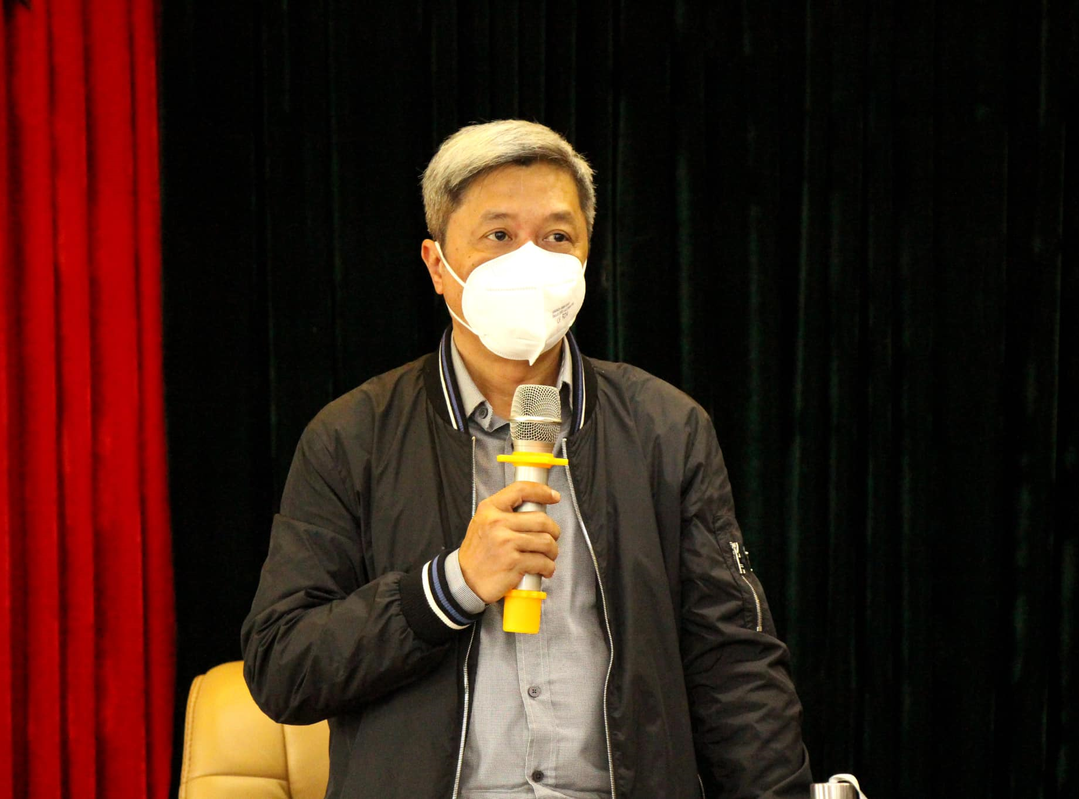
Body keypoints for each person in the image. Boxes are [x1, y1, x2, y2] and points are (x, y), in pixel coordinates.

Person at [241, 119, 812, 798]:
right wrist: (450, 586)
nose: (531, 261)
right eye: (499, 236)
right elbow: (283, 665)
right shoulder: (353, 435)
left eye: (557, 237)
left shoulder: (666, 428)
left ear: (587, 258)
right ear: (437, 266)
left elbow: (734, 664)